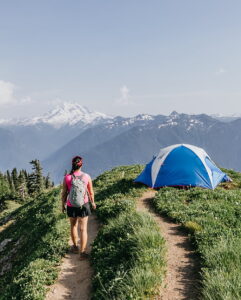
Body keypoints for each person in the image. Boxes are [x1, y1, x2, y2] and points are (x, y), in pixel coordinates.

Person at [61, 156, 96, 260]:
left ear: (72, 164)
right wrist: (93, 203)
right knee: (83, 229)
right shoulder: (87, 176)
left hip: (71, 205)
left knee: (73, 226)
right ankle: (83, 253)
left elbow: (64, 193)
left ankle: (75, 247)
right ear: (81, 165)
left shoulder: (67, 177)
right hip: (84, 205)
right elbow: (91, 192)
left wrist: (63, 205)